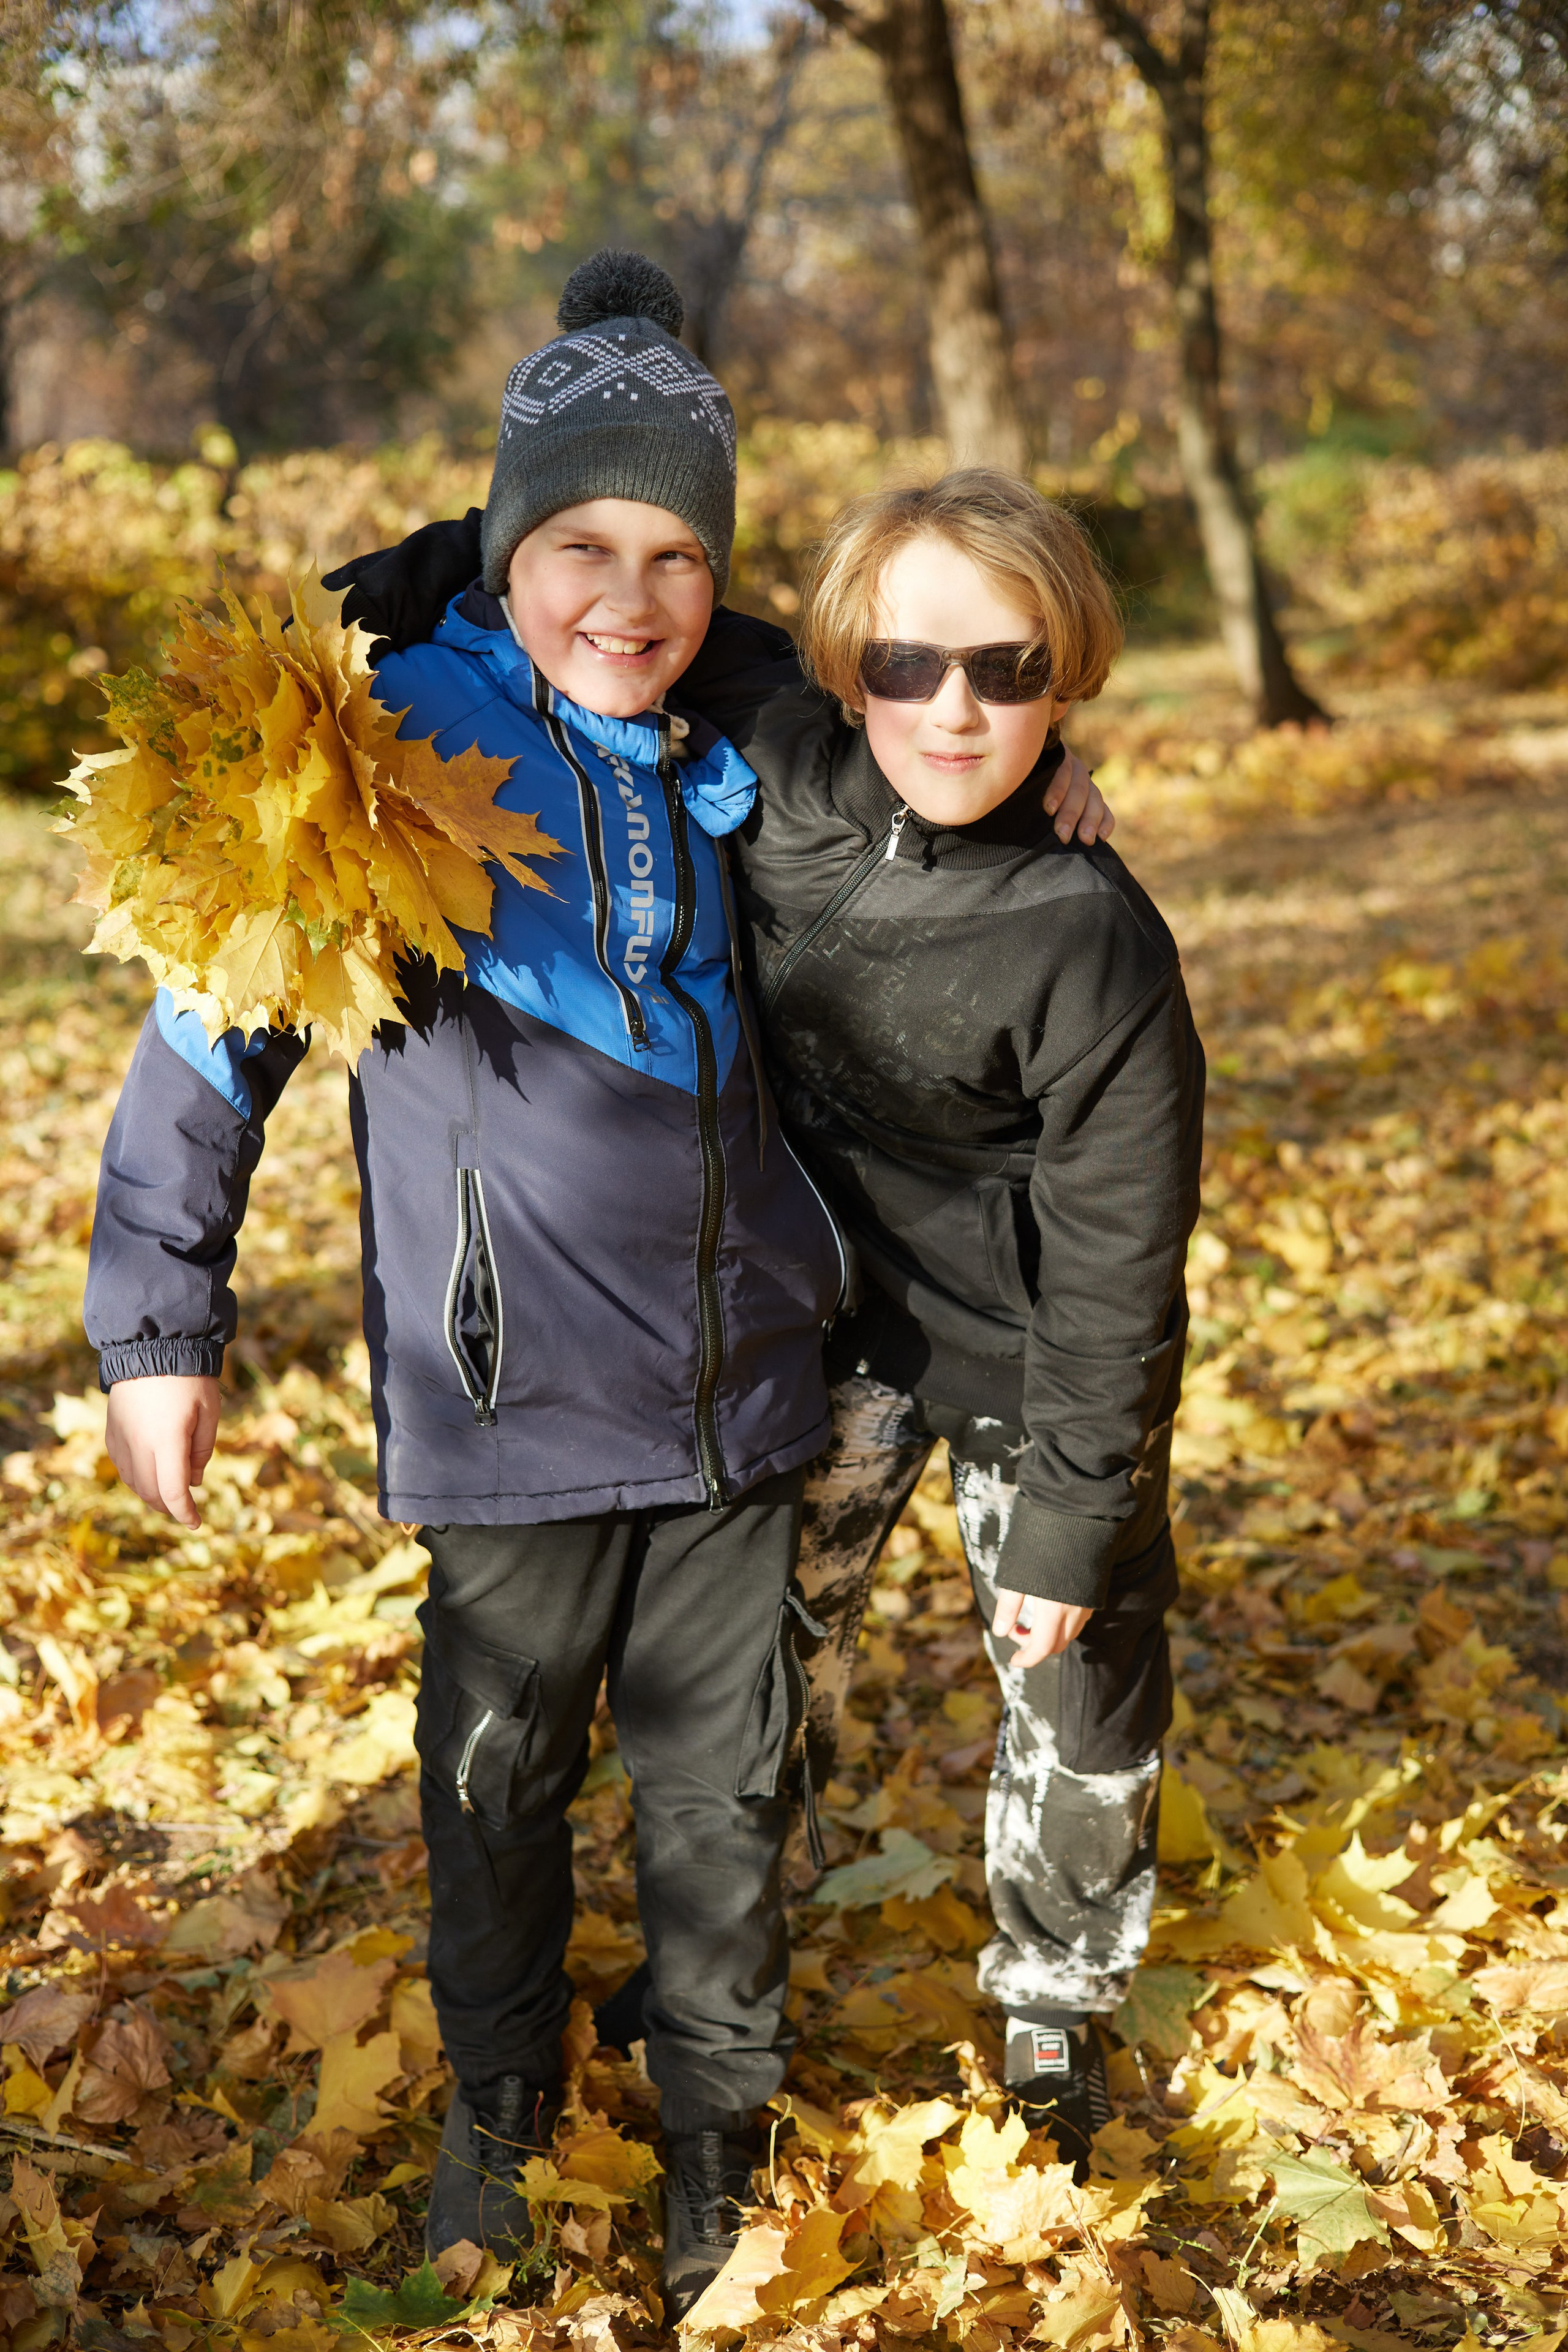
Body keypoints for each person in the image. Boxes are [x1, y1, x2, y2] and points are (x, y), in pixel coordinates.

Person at [83, 249, 851, 2320]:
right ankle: (504, 2100)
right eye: (582, 542)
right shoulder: (393, 739)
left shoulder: (746, 752)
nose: (633, 592)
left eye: (682, 550)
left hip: (738, 1392)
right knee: (501, 1772)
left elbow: (933, 883)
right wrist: (159, 1325)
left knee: (722, 1786)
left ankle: (718, 2128)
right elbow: (209, 1023)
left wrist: (1041, 784)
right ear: (504, 553)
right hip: (508, 1396)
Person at [342, 456, 1201, 2178]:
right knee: (754, 1660)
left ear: (1071, 672)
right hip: (810, 1313)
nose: (953, 709)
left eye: (1011, 672)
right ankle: (721, 1961)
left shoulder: (1089, 940)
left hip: (1031, 1344)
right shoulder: (777, 756)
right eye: (909, 663)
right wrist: (504, 534)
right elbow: (511, 580)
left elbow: (1122, 1267)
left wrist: (1073, 1519)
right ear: (839, 666)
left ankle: (1055, 1995)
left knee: (1080, 1664)